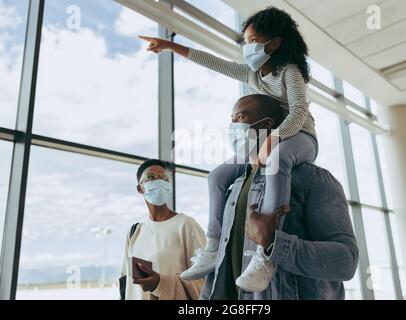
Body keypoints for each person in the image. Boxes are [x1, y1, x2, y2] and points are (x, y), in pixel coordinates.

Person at [139, 6, 318, 292]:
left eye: (253, 40)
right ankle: (211, 247)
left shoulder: (289, 72)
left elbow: (298, 112)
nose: (248, 46)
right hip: (269, 140)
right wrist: (170, 45)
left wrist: (273, 137)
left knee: (277, 160)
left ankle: (266, 253)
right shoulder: (252, 74)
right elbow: (213, 62)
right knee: (219, 174)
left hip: (301, 137)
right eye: (246, 40)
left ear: (273, 43)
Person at [198, 94, 358, 299]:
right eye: (231, 120)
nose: (232, 127)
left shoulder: (313, 180)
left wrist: (275, 243)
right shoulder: (235, 186)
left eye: (240, 118)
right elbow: (223, 265)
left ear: (266, 124)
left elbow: (346, 262)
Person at [120, 159, 205, 300]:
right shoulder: (135, 232)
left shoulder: (186, 225)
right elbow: (126, 282)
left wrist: (161, 283)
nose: (159, 182)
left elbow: (204, 281)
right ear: (140, 188)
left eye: (164, 178)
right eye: (151, 177)